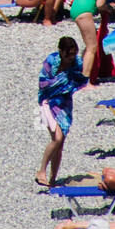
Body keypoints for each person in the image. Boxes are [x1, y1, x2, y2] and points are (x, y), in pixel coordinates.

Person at [36, 36, 88, 188]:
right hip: (47, 101)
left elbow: (81, 80)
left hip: (64, 103)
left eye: (73, 54)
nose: (70, 58)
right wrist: (62, 81)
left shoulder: (77, 63)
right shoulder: (51, 61)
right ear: (61, 51)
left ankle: (52, 180)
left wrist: (68, 84)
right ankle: (41, 172)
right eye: (68, 55)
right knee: (56, 138)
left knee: (60, 143)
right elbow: (43, 84)